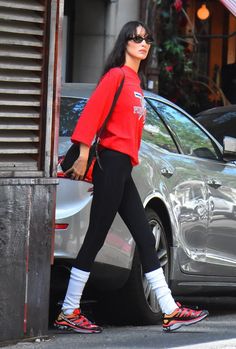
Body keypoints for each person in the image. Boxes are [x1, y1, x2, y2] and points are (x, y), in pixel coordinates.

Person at [54, 20, 209, 333]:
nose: (143, 42)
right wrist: (84, 154)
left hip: (124, 168)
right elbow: (92, 115)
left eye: (147, 38)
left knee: (143, 235)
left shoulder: (136, 83)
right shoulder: (116, 77)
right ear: (124, 42)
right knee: (96, 235)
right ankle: (69, 309)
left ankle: (168, 308)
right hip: (111, 164)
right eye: (136, 38)